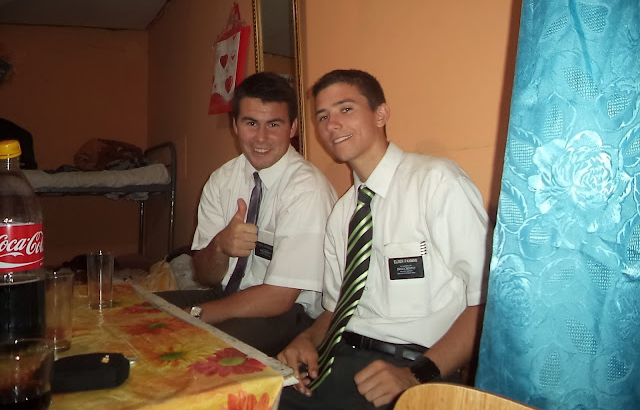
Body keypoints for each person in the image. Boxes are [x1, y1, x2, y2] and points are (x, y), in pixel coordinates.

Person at [277, 69, 489, 409]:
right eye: (323, 116)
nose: (332, 124)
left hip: (417, 366)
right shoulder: (342, 214)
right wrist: (306, 339)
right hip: (339, 359)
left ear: (381, 114)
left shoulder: (437, 183)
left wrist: (416, 375)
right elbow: (336, 309)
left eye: (346, 109)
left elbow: (486, 302)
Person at [157, 72, 337, 356]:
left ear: (293, 128)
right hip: (227, 293)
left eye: (274, 124)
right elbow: (205, 276)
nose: (261, 137)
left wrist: (195, 314)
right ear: (235, 126)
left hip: (290, 312)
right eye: (251, 123)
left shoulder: (307, 190)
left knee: (193, 348)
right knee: (138, 314)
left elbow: (280, 297)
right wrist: (220, 245)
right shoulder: (222, 179)